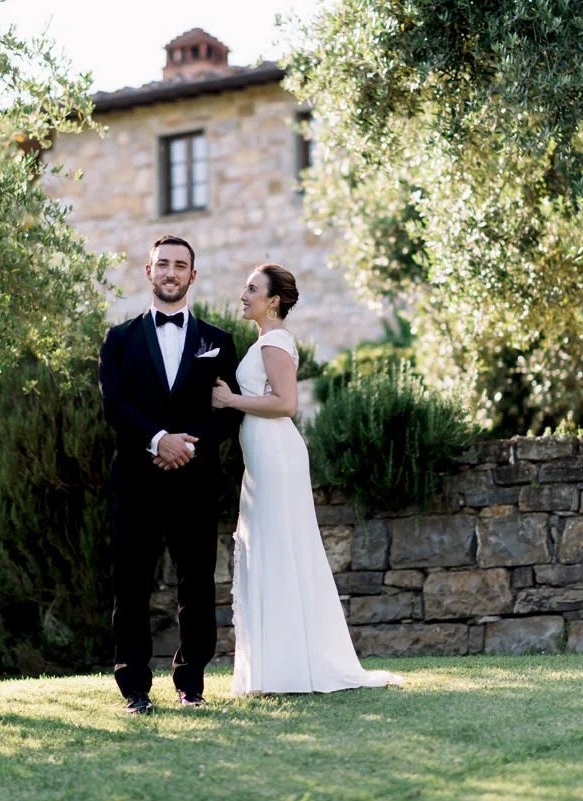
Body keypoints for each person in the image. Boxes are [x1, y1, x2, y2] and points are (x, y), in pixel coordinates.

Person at [212, 264, 402, 695]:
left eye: (252, 289)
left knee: (280, 547)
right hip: (263, 454)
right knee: (271, 547)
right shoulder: (264, 341)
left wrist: (228, 399)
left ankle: (290, 667)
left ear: (273, 300)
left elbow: (286, 403)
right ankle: (273, 665)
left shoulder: (275, 341)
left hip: (277, 454)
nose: (243, 295)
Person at [98, 234, 242, 714]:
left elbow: (226, 411)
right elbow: (115, 406)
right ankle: (135, 689)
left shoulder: (218, 341)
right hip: (135, 480)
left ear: (192, 276)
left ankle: (192, 685)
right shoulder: (118, 340)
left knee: (196, 585)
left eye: (180, 265)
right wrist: (160, 440)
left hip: (195, 481)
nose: (171, 272)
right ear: (148, 271)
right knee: (131, 585)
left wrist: (185, 446)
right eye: (163, 264)